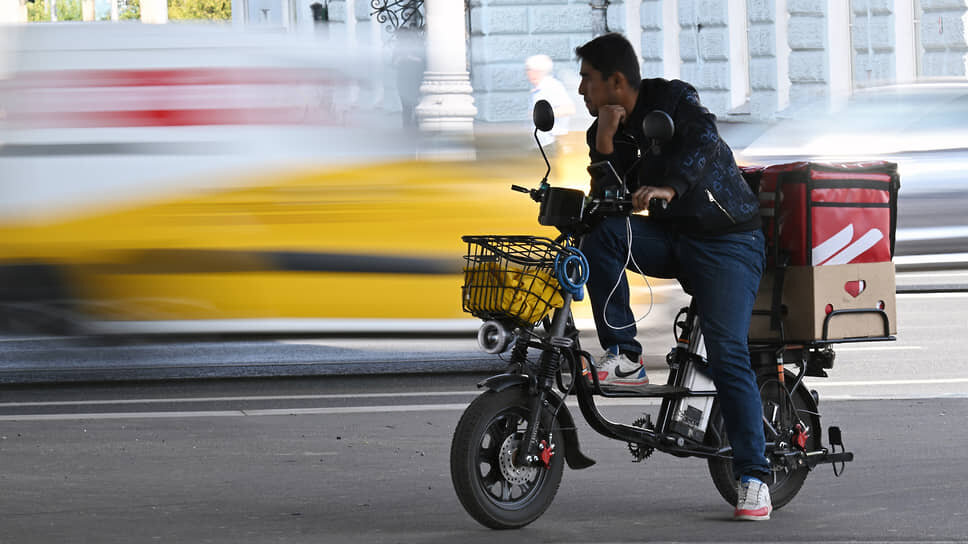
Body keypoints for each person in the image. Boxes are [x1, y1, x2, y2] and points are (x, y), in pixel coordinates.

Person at [574, 33, 772, 521]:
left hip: (728, 241)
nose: (581, 89)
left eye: (587, 79)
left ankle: (753, 476)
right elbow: (610, 194)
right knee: (602, 236)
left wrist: (669, 185)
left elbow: (705, 143)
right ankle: (625, 356)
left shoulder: (674, 100)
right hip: (674, 241)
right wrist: (603, 142)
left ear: (616, 81)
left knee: (728, 354)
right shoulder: (606, 125)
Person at [525, 54, 575, 154]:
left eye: (535, 71)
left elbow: (569, 109)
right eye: (529, 70)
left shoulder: (552, 86)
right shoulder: (537, 89)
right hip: (542, 144)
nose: (530, 74)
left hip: (551, 144)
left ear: (542, 72)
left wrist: (541, 115)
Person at [393, 25, 426, 130]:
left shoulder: (420, 47)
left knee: (417, 103)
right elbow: (393, 63)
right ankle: (407, 128)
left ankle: (417, 125)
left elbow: (424, 62)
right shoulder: (398, 48)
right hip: (403, 80)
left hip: (416, 79)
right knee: (406, 106)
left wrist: (410, 58)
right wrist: (402, 58)